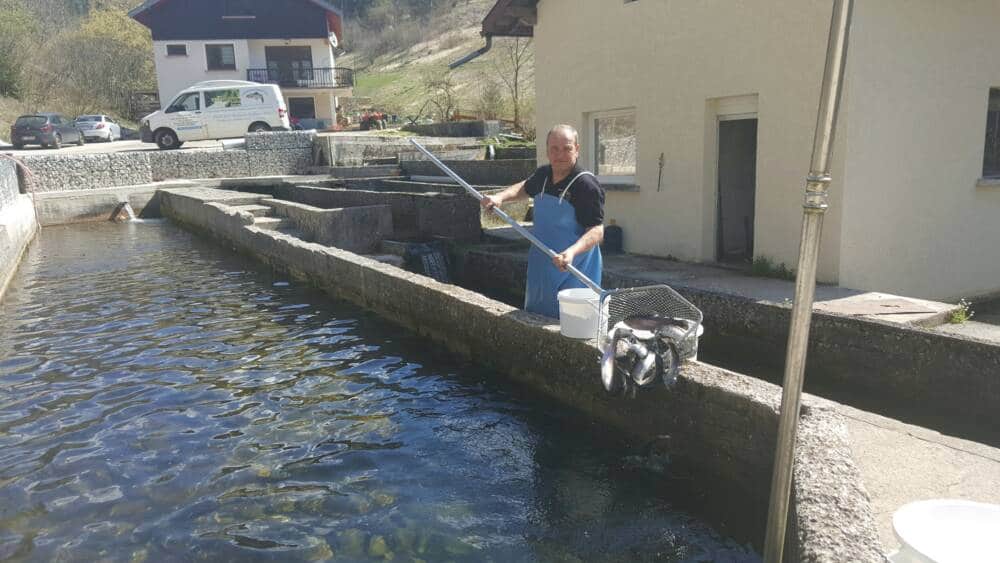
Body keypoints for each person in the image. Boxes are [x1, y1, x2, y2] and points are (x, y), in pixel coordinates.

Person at [481, 124, 605, 318]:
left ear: (577, 149)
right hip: (542, 262)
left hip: (573, 266)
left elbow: (597, 231)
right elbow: (524, 188)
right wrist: (500, 198)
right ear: (547, 150)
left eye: (567, 148)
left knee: (569, 322)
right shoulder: (544, 175)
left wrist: (571, 252)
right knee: (536, 315)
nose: (560, 155)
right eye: (554, 149)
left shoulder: (586, 185)